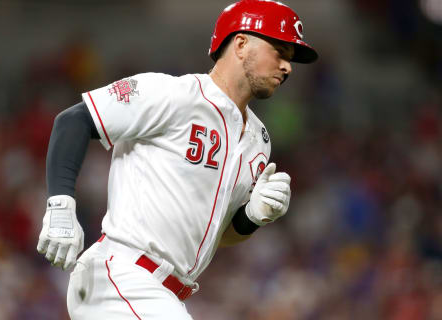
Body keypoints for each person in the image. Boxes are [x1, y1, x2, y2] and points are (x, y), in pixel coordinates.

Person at [36, 0, 318, 318]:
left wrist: (251, 217)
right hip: (121, 276)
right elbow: (73, 120)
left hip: (163, 292)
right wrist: (60, 205)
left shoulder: (258, 140)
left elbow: (216, 236)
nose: (287, 66)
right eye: (280, 51)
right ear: (241, 44)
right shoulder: (173, 94)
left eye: (290, 58)